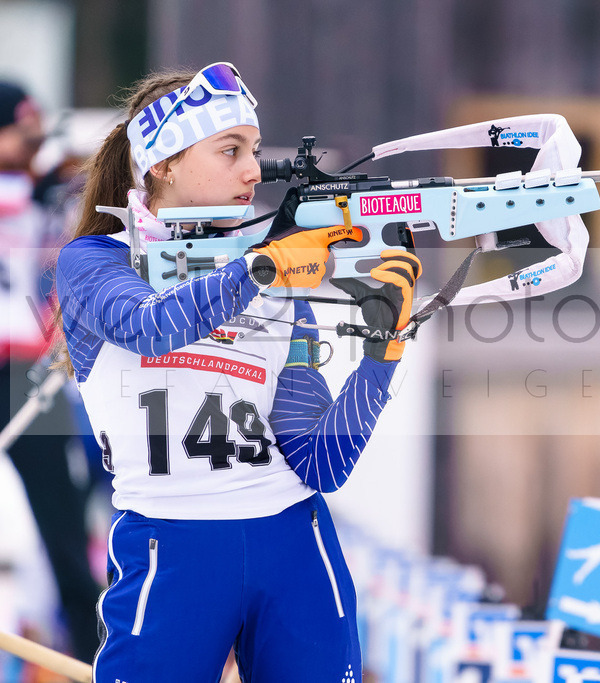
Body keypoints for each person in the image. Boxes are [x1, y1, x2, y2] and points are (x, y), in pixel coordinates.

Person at [52, 62, 421, 681]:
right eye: (230, 150)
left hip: (294, 543)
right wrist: (260, 269)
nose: (254, 169)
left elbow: (322, 463)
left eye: (253, 149)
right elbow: (149, 327)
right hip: (171, 547)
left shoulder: (281, 281)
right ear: (163, 163)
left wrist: (383, 351)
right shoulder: (93, 261)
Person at [0, 80, 101, 663]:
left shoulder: (36, 190)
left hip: (26, 379)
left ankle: (89, 656)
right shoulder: (21, 190)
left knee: (63, 526)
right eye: (22, 130)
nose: (32, 142)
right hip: (15, 374)